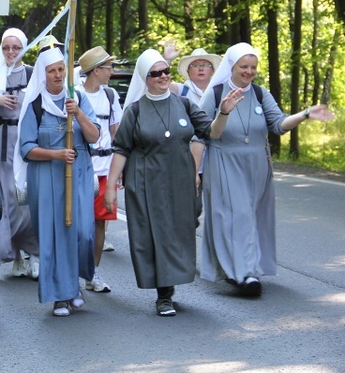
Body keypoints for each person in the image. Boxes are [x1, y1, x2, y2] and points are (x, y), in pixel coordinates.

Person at [104, 49, 242, 316]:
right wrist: (110, 187)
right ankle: (163, 294)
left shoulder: (185, 104)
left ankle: (170, 283)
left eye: (165, 71)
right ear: (146, 78)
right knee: (155, 234)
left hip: (180, 179)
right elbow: (121, 149)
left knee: (180, 229)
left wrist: (223, 112)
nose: (163, 76)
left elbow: (211, 132)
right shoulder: (135, 111)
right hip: (146, 181)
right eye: (156, 73)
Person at [195, 42, 334, 296]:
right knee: (235, 217)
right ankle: (244, 274)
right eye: (243, 67)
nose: (249, 71)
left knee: (251, 217)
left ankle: (242, 268)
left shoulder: (260, 93)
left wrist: (304, 114)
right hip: (224, 163)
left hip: (257, 166)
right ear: (232, 67)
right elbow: (202, 135)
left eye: (253, 67)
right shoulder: (215, 94)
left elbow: (279, 124)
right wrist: (194, 171)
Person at [15, 40, 101, 317]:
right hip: (47, 175)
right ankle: (60, 296)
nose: (57, 75)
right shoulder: (36, 104)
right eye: (51, 70)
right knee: (54, 236)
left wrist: (78, 114)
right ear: (43, 74)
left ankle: (75, 284)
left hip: (78, 173)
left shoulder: (78, 98)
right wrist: (55, 154)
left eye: (61, 69)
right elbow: (26, 148)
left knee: (82, 233)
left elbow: (94, 136)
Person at [0, 28, 40, 278]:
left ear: (24, 48)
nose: (11, 52)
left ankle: (34, 253)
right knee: (6, 200)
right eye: (6, 47)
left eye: (16, 48)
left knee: (28, 199)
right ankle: (15, 253)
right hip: (1, 141)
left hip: (25, 141)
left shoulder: (32, 74)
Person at [77, 46, 123, 293]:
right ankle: (73, 270)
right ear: (96, 70)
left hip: (106, 169)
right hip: (83, 168)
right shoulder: (75, 95)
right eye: (108, 67)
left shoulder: (110, 95)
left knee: (99, 223)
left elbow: (117, 132)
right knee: (77, 224)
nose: (111, 72)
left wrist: (120, 166)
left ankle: (93, 273)